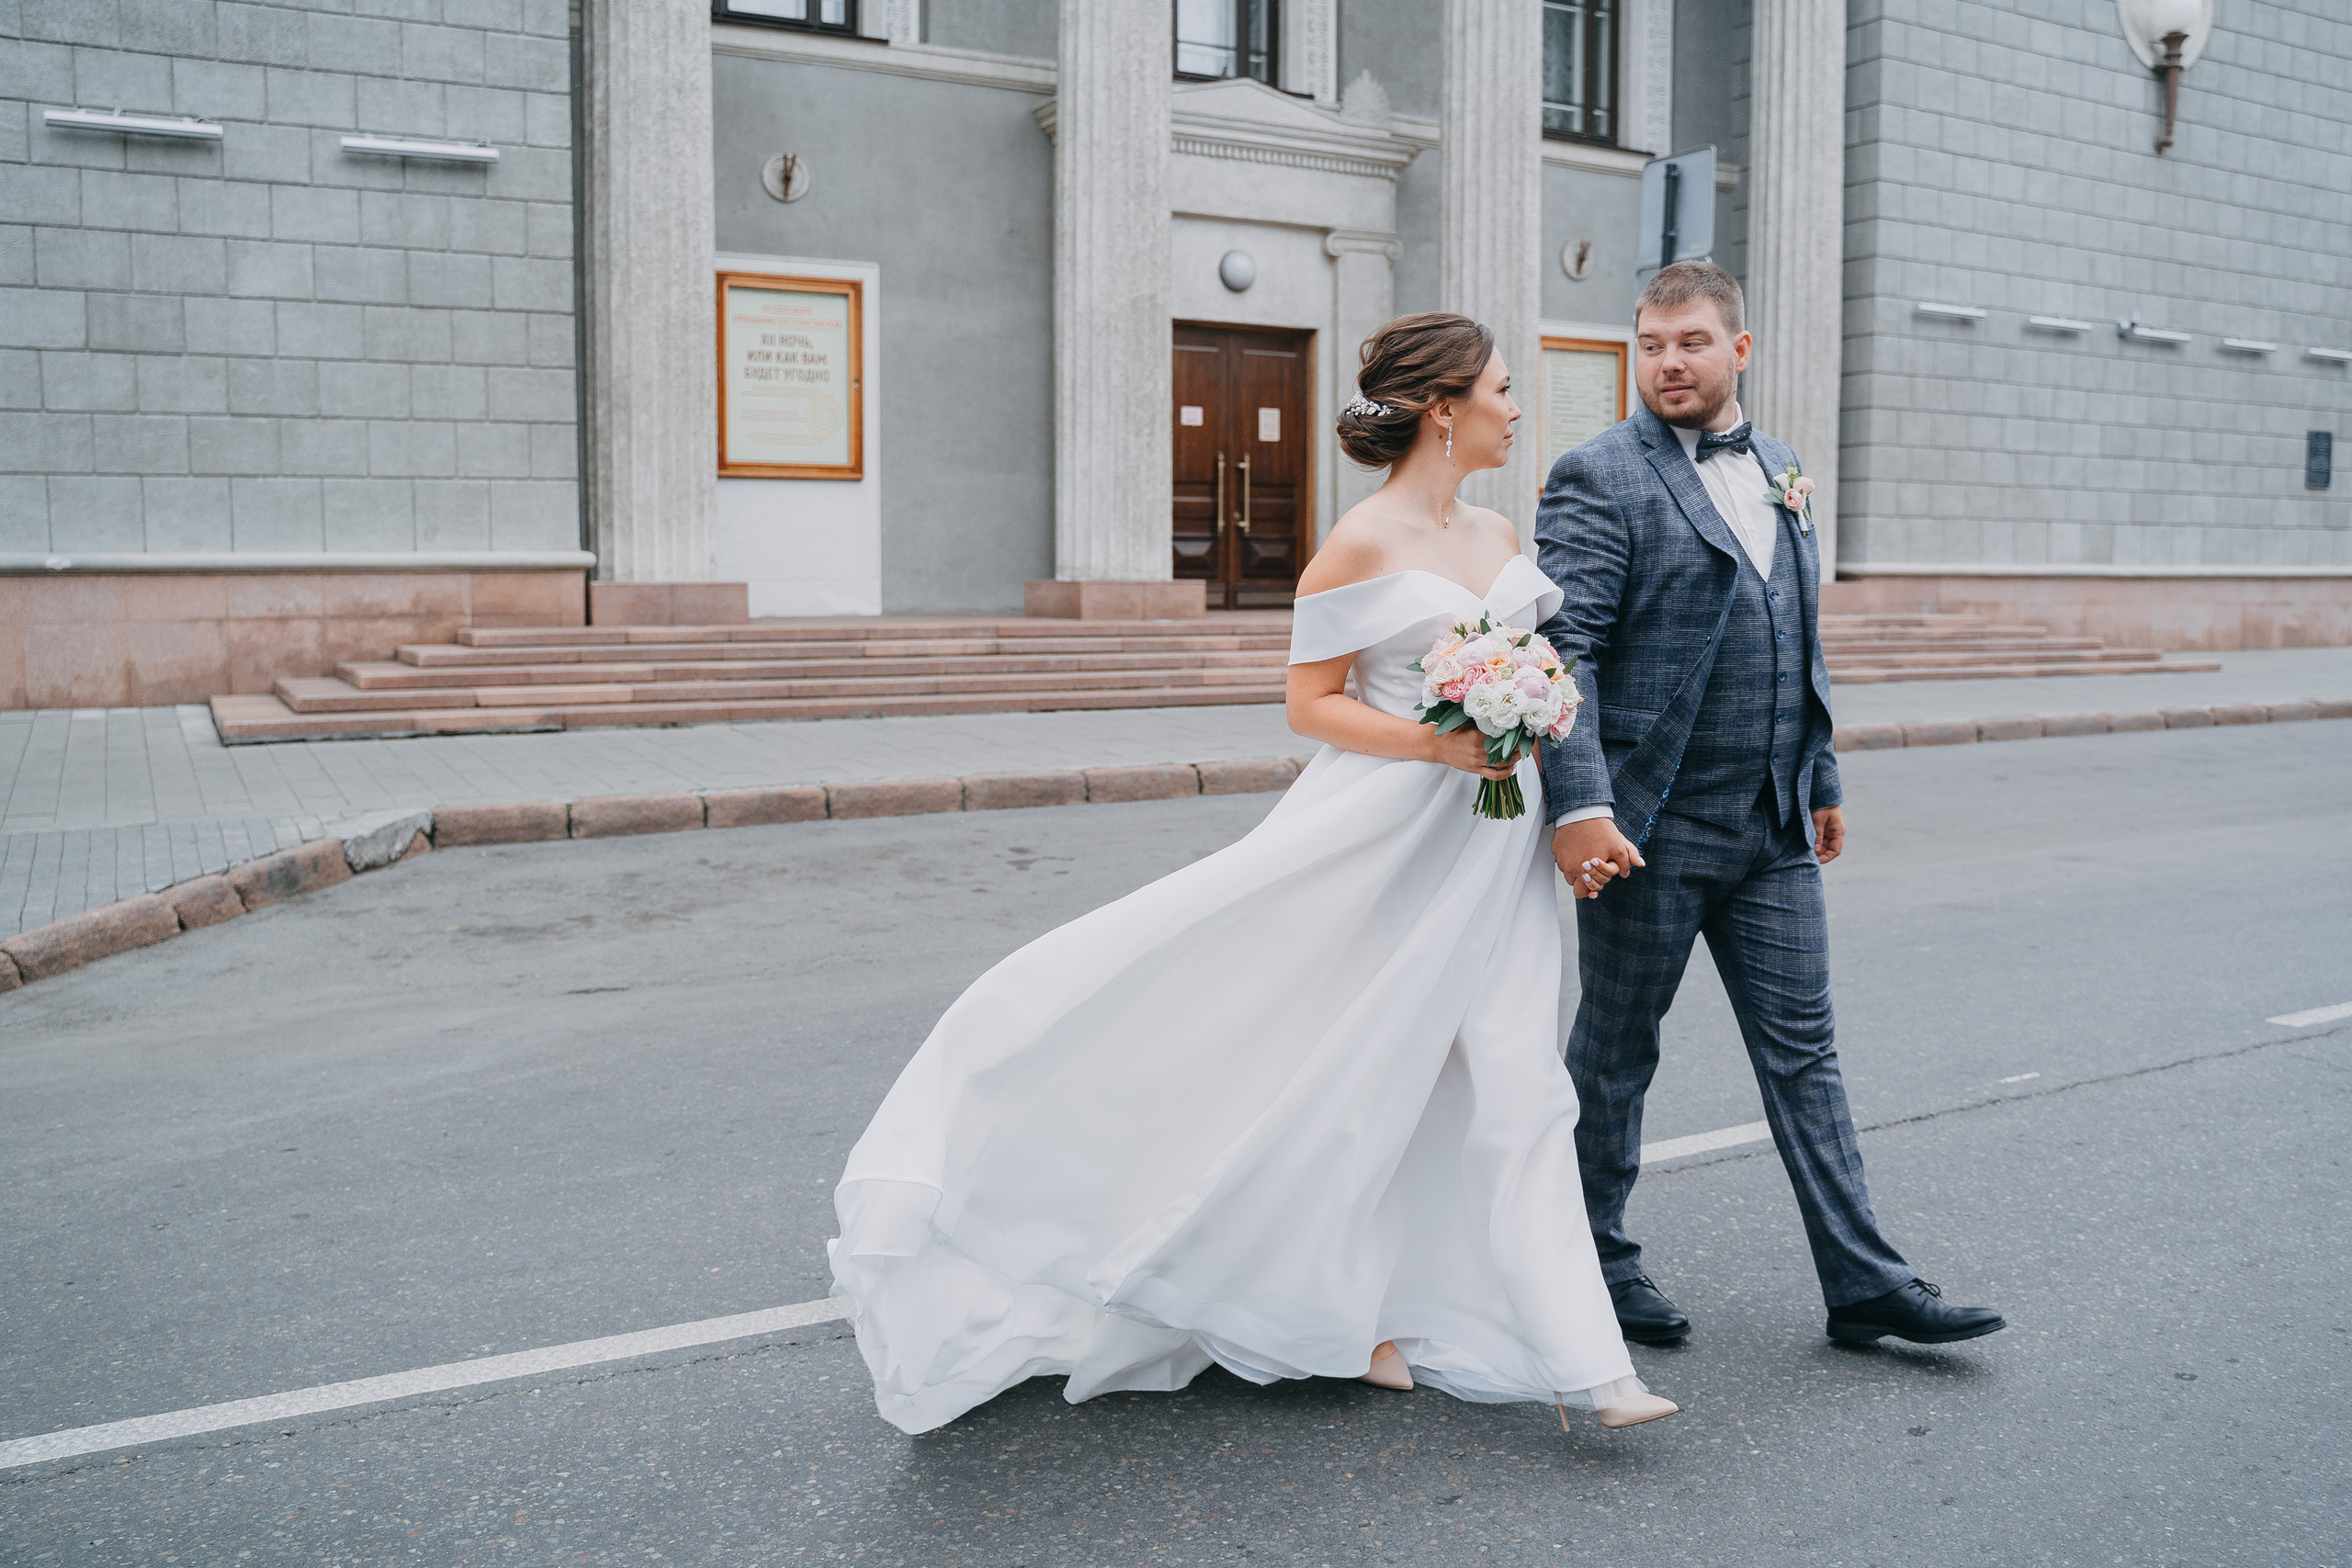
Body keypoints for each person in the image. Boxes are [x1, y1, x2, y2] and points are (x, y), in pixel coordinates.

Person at [829, 312, 1676, 1437]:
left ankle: (1591, 1367)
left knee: (1518, 1087)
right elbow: (1307, 700)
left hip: (1493, 845)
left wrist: (1549, 759)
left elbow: (1544, 670)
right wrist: (1434, 740)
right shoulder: (1359, 543)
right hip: (1378, 841)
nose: (1517, 409)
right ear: (1443, 408)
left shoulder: (1496, 528)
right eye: (1504, 390)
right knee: (1341, 1081)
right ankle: (1327, 1311)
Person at [1535, 260, 2007, 1349]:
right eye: (1651, 344)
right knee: (1614, 1054)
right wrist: (1581, 806)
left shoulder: (1784, 464)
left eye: (1690, 342)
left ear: (1736, 350)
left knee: (1805, 1055)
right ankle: (1592, 1264)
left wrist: (1821, 776)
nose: (1667, 362)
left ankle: (1865, 1283)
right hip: (1646, 826)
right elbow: (1567, 650)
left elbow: (1799, 629)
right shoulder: (1597, 474)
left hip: (1771, 828)